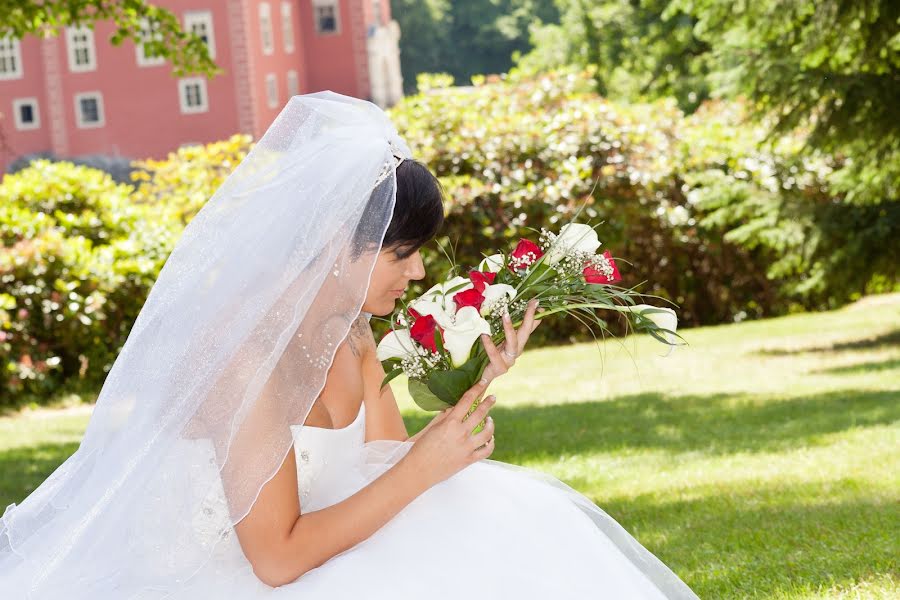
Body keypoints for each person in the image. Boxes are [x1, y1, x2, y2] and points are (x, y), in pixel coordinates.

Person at [0, 92, 698, 599]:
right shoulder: (246, 361)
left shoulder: (352, 332)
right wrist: (421, 468)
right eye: (403, 253)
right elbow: (276, 558)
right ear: (339, 245)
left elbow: (384, 467)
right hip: (224, 576)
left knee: (513, 520)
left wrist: (476, 380)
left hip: (310, 555)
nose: (420, 271)